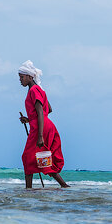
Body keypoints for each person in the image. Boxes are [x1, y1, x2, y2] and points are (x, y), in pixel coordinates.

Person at [17, 60, 70, 189]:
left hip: (40, 128)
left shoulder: (34, 90)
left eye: (22, 77)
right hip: (44, 125)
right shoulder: (38, 90)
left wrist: (40, 135)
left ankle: (28, 190)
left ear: (30, 76)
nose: (20, 80)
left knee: (28, 157)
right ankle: (64, 185)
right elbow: (48, 109)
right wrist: (29, 119)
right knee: (43, 158)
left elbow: (41, 112)